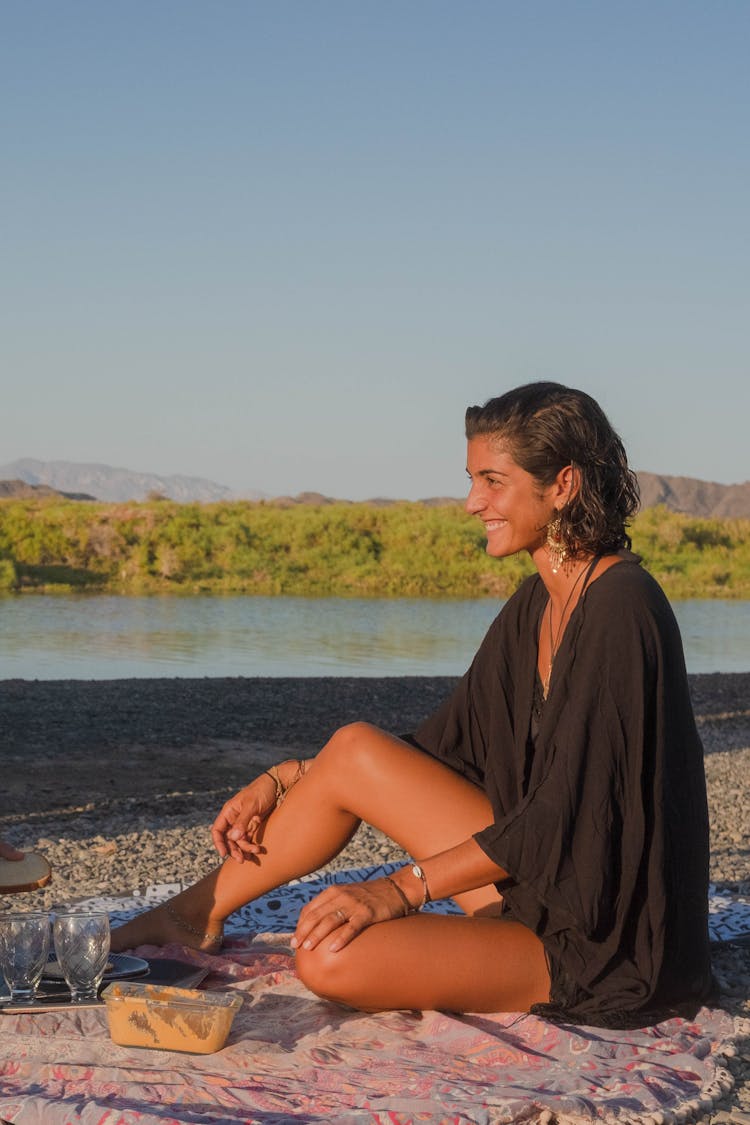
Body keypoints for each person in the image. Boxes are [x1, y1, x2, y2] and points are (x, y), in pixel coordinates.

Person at [112, 382, 713, 1027]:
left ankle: (488, 951)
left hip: (602, 933)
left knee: (326, 961)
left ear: (561, 484)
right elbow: (438, 751)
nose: (471, 502)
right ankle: (191, 915)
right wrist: (286, 777)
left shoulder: (623, 607)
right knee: (355, 746)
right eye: (471, 479)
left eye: (492, 480)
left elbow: (567, 815)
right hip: (538, 876)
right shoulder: (537, 603)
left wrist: (398, 890)